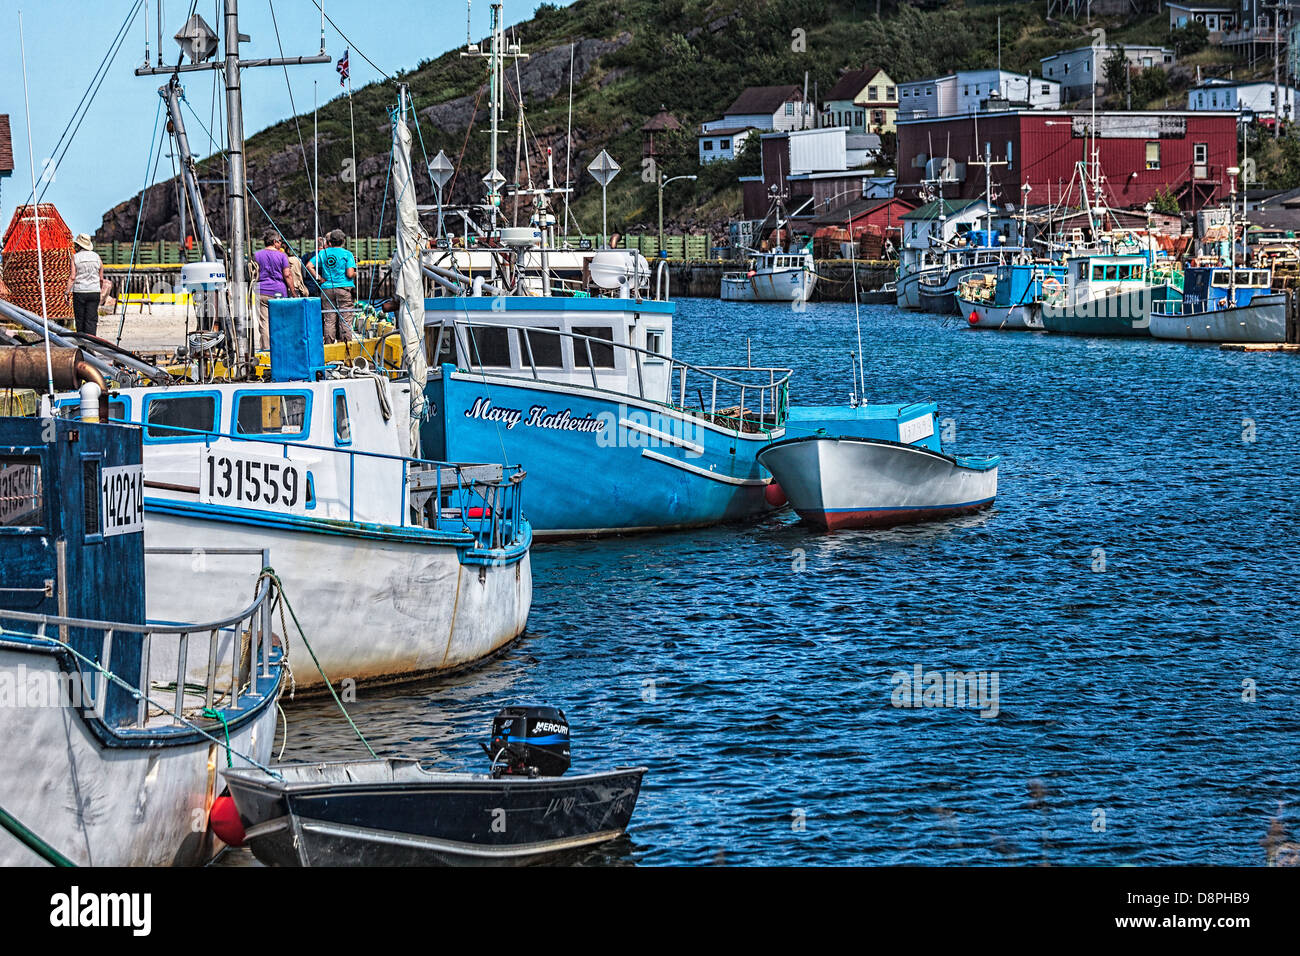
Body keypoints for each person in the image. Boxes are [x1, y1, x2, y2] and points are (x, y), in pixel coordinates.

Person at [307, 228, 357, 344]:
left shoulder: (323, 253)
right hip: (344, 289)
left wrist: (319, 278)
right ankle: (346, 346)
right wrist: (356, 273)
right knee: (345, 319)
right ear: (343, 241)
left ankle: (329, 347)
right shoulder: (347, 254)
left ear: (330, 241)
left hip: (327, 289)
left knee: (329, 319)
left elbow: (309, 265)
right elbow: (350, 274)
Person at [252, 232, 292, 349]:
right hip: (279, 292)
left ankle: (266, 348)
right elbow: (287, 275)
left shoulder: (257, 255)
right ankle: (280, 348)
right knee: (280, 321)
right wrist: (293, 292)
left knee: (264, 323)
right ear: (274, 242)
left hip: (262, 291)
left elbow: (254, 274)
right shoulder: (282, 256)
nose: (281, 243)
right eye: (280, 241)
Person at [67, 233, 104, 337]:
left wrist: (66, 292)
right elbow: (101, 278)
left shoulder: (75, 257)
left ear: (79, 245)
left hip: (80, 292)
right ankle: (91, 345)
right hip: (94, 291)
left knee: (80, 319)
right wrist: (99, 289)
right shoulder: (97, 257)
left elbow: (72, 277)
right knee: (91, 320)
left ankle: (82, 347)